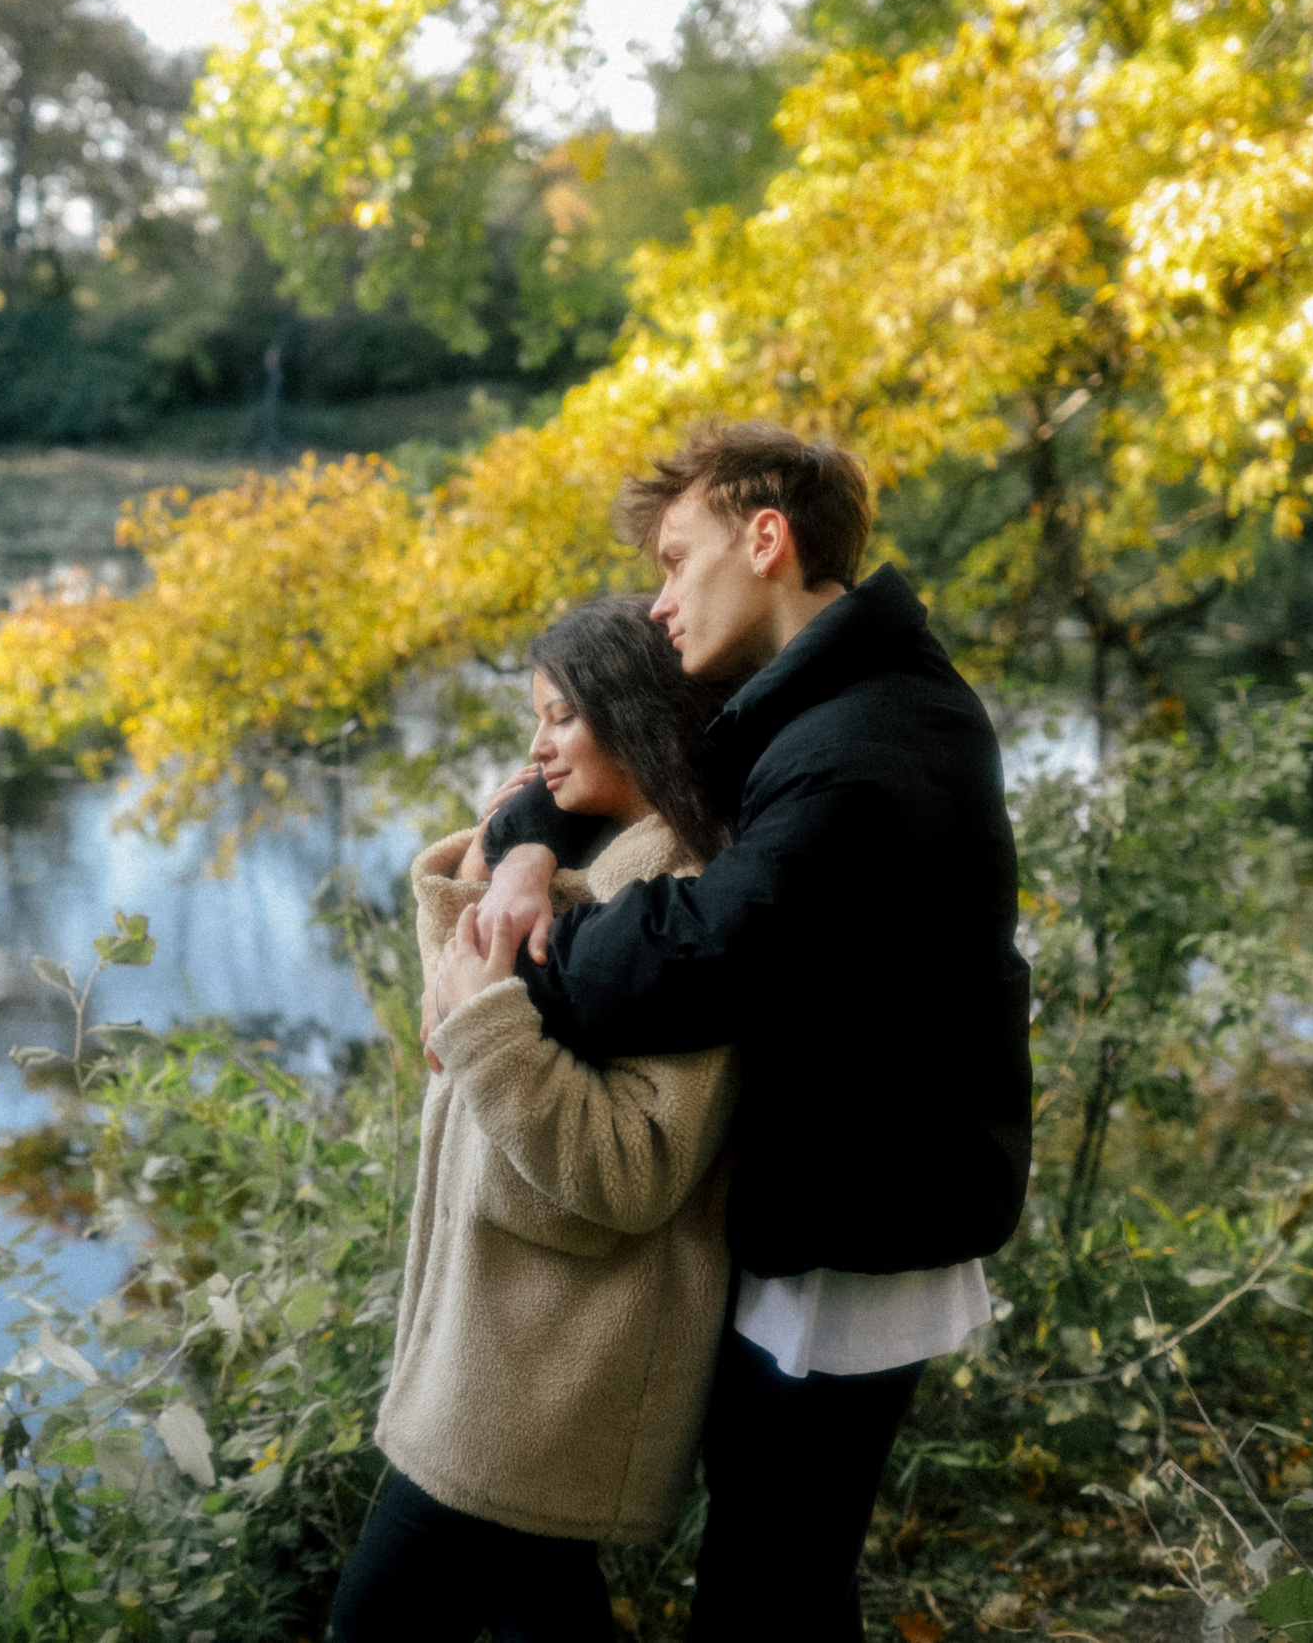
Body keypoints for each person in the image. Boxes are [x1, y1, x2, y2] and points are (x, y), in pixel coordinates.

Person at [465, 421, 1033, 1641]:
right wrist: (525, 852)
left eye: (677, 560)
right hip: (802, 1199)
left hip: (860, 1218)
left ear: (765, 540)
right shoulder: (800, 704)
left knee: (767, 1593)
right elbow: (601, 770)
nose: (660, 602)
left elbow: (693, 958)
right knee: (773, 1580)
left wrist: (540, 937)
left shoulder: (877, 745)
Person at [327, 595, 738, 1643]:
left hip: (549, 1368)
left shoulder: (684, 899)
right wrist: (496, 864)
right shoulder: (585, 862)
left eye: (560, 717)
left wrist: (492, 1002)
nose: (537, 743)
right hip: (503, 1344)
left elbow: (639, 1164)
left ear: (633, 713)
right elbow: (445, 1039)